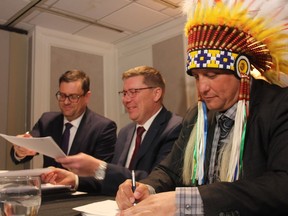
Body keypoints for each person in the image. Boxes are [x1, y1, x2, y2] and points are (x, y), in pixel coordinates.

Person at [115, 0, 288, 215]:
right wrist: (145, 188)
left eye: (211, 75)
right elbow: (169, 169)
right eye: (197, 77)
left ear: (242, 70)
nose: (202, 88)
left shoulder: (280, 106)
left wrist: (191, 200)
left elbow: (281, 185)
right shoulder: (197, 115)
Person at [41, 66, 183, 195]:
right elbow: (113, 180)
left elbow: (157, 181)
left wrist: (99, 167)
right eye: (124, 93)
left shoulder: (175, 128)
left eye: (133, 92)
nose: (126, 99)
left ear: (156, 93)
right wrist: (75, 179)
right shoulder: (125, 132)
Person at [10, 69, 117, 169]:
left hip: (81, 188)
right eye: (62, 95)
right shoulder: (47, 120)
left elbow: (102, 175)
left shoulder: (103, 128)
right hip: (48, 187)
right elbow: (28, 147)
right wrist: (21, 149)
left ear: (87, 97)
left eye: (73, 97)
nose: (66, 102)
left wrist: (73, 180)